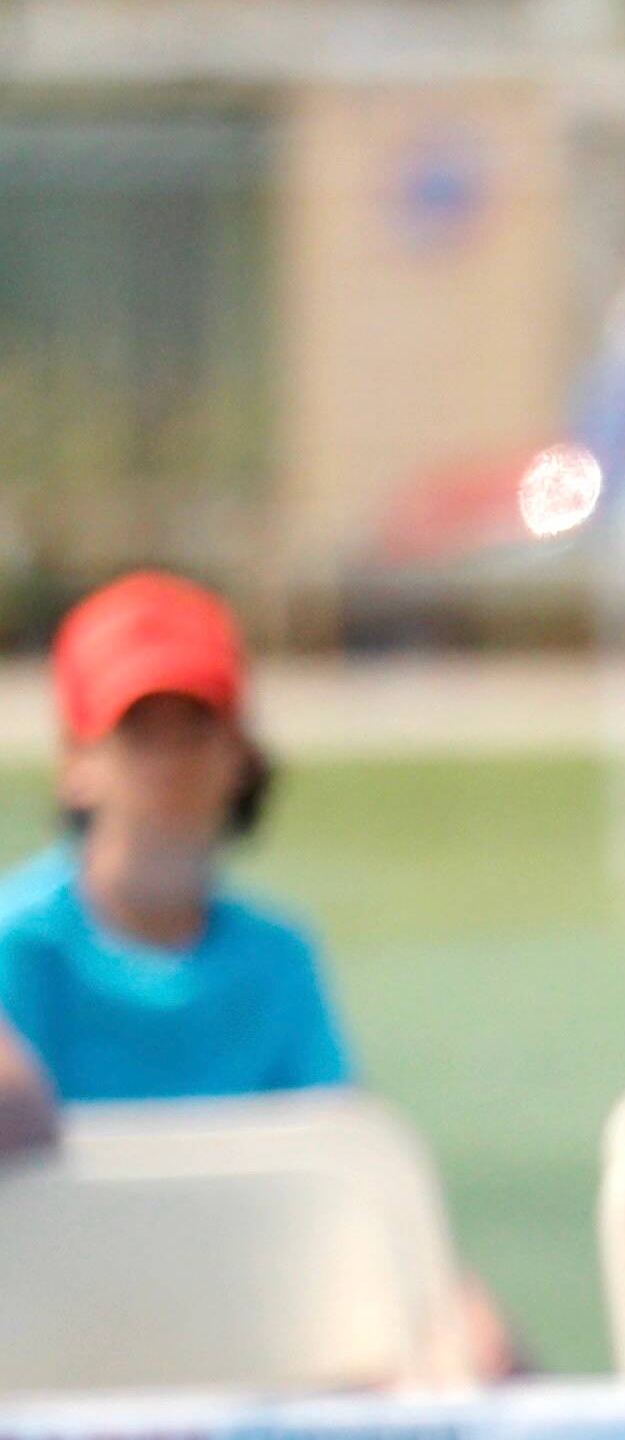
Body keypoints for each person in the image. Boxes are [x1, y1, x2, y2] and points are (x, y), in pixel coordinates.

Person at [3, 573, 518, 1379]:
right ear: (79, 761)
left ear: (240, 755)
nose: (171, 763)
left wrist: (454, 1310)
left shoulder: (278, 957)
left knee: (480, 1356)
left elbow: (345, 1173)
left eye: (196, 728)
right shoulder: (12, 946)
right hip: (51, 1376)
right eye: (141, 731)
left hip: (252, 1364)